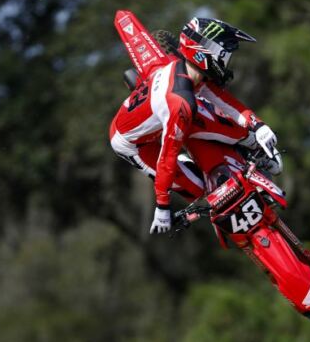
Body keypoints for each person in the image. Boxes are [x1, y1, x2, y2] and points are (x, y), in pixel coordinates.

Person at [109, 17, 280, 234]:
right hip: (135, 145)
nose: (226, 62)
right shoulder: (181, 101)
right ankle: (192, 161)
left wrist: (258, 127)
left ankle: (251, 145)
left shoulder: (191, 75)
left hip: (168, 113)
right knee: (202, 191)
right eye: (224, 55)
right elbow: (167, 157)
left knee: (209, 116)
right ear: (203, 52)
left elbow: (225, 101)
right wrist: (162, 207)